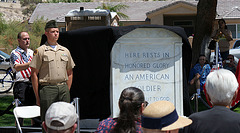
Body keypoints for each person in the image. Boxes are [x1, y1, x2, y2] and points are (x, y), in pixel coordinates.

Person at [30, 20, 75, 122]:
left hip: (63, 88)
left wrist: (67, 89)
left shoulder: (65, 51)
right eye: (53, 31)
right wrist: (37, 96)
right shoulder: (40, 51)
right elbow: (34, 74)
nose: (56, 34)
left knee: (65, 118)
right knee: (47, 119)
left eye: (57, 32)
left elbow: (70, 73)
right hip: (47, 89)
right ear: (46, 33)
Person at [10, 31, 37, 126]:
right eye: (25, 39)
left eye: (28, 39)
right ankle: (19, 129)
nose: (27, 41)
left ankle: (34, 129)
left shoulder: (31, 52)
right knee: (20, 111)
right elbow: (17, 67)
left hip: (32, 83)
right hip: (21, 84)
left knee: (34, 110)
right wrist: (31, 63)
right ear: (19, 40)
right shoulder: (15, 53)